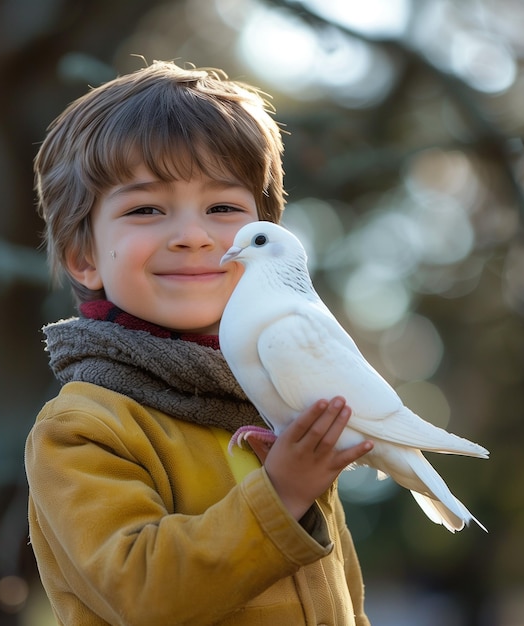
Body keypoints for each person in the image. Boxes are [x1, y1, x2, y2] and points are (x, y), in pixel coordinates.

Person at [25, 59, 374, 626]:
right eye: (145, 209)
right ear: (84, 257)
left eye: (223, 209)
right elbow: (143, 594)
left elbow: (343, 603)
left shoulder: (276, 402)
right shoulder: (84, 429)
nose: (193, 236)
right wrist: (279, 496)